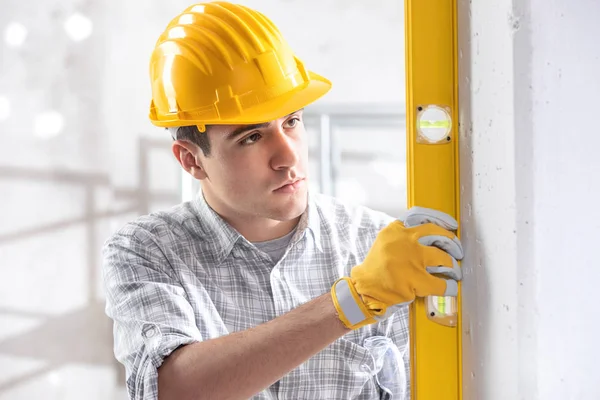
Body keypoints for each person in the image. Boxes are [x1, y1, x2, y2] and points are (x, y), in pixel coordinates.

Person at [101, 2, 464, 400]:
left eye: (292, 121)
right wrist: (353, 301)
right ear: (191, 160)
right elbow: (175, 389)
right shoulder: (146, 250)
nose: (288, 157)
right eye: (251, 137)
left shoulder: (375, 246)